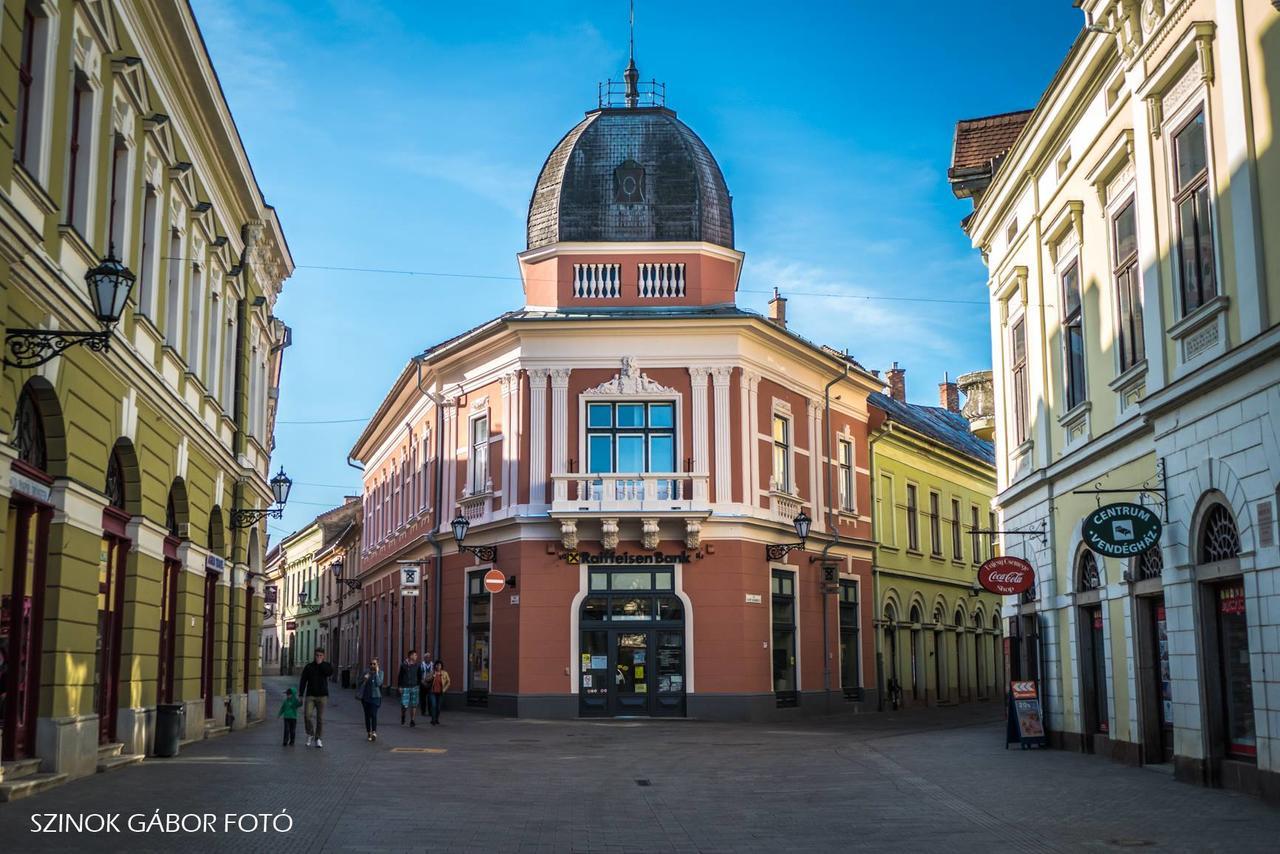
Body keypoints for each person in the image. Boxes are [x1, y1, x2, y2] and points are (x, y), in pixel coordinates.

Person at [298, 648, 334, 748]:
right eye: (317, 655)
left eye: (320, 655)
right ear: (314, 656)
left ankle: (318, 738)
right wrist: (301, 694)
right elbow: (303, 680)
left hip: (322, 696)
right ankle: (310, 733)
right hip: (310, 695)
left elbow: (329, 673)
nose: (318, 657)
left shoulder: (326, 665)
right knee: (307, 716)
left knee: (320, 718)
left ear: (323, 656)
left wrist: (321, 664)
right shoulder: (309, 667)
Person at [357, 658, 383, 741]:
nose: (372, 665)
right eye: (371, 664)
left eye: (374, 664)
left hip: (376, 697)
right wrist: (364, 679)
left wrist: (377, 673)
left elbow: (378, 683)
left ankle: (374, 732)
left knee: (374, 714)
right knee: (367, 715)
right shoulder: (365, 672)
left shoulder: (380, 673)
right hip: (365, 697)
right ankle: (369, 732)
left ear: (377, 665)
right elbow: (359, 682)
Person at [397, 650, 420, 727]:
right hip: (405, 687)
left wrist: (418, 685)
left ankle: (412, 720)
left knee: (414, 704)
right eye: (415, 655)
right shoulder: (403, 665)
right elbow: (400, 677)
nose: (416, 656)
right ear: (410, 656)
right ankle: (403, 715)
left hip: (415, 687)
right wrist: (400, 686)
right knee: (404, 705)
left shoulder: (417, 665)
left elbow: (419, 675)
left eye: (416, 655)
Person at [427, 659, 450, 725]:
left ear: (441, 666)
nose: (438, 666)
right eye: (437, 665)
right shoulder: (432, 672)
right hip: (432, 692)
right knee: (433, 705)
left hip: (440, 692)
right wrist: (432, 677)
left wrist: (444, 689)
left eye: (439, 665)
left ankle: (436, 719)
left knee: (438, 707)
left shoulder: (444, 673)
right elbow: (426, 679)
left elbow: (448, 682)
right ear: (435, 666)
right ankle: (433, 720)